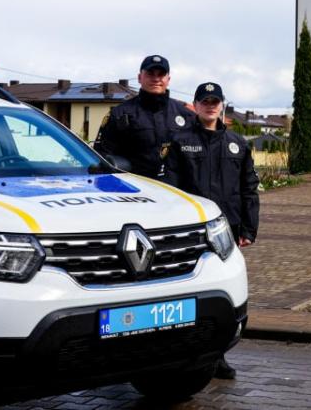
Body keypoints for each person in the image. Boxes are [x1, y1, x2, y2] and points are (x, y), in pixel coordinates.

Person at [164, 82, 259, 380]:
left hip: (226, 232)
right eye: (204, 101)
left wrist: (249, 228)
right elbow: (171, 190)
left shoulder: (237, 144)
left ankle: (217, 356)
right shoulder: (180, 142)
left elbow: (249, 188)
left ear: (222, 105)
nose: (210, 106)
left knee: (223, 294)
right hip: (191, 233)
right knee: (190, 295)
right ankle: (183, 355)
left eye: (215, 101)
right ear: (195, 106)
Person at [94, 55, 194, 178]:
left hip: (175, 187)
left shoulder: (186, 116)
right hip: (136, 186)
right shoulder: (120, 114)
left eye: (161, 74)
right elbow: (103, 158)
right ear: (139, 78)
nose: (156, 79)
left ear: (168, 79)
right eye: (150, 74)